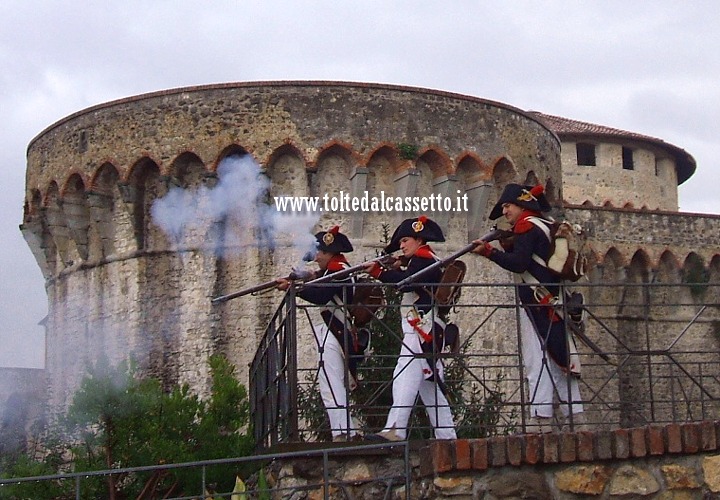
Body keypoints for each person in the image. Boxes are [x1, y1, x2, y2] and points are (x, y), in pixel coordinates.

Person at [472, 183, 584, 433]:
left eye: (508, 206)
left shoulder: (526, 226)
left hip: (537, 302)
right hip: (549, 301)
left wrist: (490, 252)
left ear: (522, 205)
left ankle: (541, 418)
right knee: (558, 359)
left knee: (538, 360)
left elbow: (520, 264)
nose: (505, 211)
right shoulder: (546, 226)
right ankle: (575, 417)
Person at [364, 215, 457, 441]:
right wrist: (399, 265)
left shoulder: (423, 258)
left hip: (420, 328)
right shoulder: (424, 259)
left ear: (419, 240)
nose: (402, 246)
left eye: (406, 240)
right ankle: (447, 436)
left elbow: (408, 281)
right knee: (430, 387)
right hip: (425, 327)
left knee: (403, 375)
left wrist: (380, 273)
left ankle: (396, 428)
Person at [277, 226, 368, 442]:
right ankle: (344, 431)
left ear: (330, 253)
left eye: (320, 253)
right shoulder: (335, 270)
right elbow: (320, 279)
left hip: (334, 331)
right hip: (333, 331)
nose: (316, 257)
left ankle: (344, 433)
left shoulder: (340, 271)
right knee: (330, 383)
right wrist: (305, 276)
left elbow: (322, 295)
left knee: (331, 383)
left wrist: (294, 288)